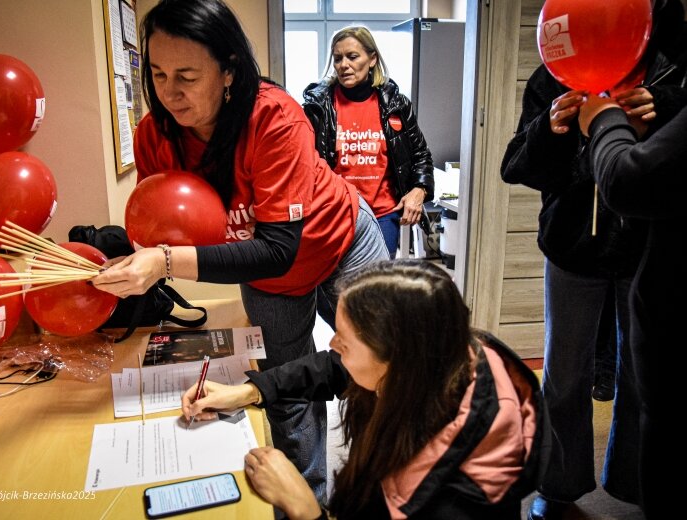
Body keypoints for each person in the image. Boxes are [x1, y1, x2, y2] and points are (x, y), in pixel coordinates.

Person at [91, 0, 389, 504]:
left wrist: (163, 262)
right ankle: (304, 504)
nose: (170, 93)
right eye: (159, 74)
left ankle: (382, 494)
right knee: (286, 390)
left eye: (187, 75)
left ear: (229, 70)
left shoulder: (274, 118)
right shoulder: (154, 136)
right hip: (270, 277)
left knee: (380, 372)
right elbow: (165, 225)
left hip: (339, 243)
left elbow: (276, 248)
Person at [500, 3, 686, 518]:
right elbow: (515, 166)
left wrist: (662, 113)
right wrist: (554, 131)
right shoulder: (552, 74)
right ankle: (558, 488)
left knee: (643, 376)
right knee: (563, 375)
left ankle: (633, 485)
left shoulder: (674, 66)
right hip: (572, 250)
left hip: (644, 250)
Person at [182, 259, 546, 519]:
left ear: (394, 362)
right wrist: (249, 391)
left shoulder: (445, 499)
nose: (333, 344)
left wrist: (307, 510)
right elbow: (331, 367)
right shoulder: (443, 355)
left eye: (346, 340)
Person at [302, 27, 434, 259]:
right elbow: (303, 162)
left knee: (374, 289)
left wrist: (419, 190)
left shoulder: (395, 104)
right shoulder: (318, 107)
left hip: (382, 214)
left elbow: (421, 155)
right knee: (335, 288)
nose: (344, 65)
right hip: (335, 213)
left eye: (352, 57)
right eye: (338, 58)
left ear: (372, 59)